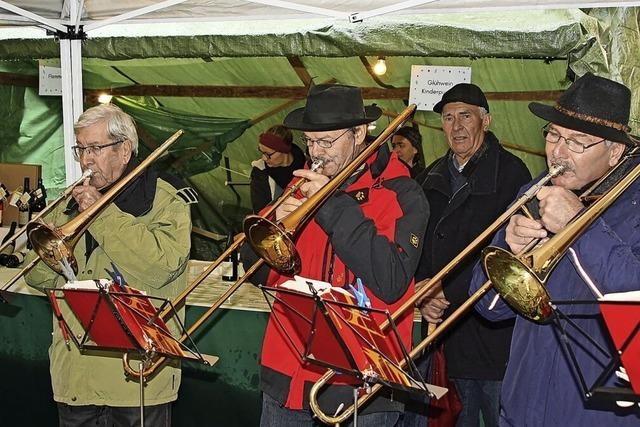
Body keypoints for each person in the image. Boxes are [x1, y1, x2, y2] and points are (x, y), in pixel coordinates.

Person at [241, 84, 430, 426]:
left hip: (364, 386)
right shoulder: (300, 186)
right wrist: (276, 228)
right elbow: (256, 272)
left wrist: (331, 206)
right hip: (287, 376)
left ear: (360, 133)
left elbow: (390, 280)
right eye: (311, 141)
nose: (316, 153)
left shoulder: (402, 192)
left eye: (326, 142)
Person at [469, 72, 640, 426]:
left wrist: (579, 226)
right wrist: (509, 247)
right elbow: (489, 308)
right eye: (554, 135)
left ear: (615, 152)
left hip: (599, 414)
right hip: (521, 407)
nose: (558, 152)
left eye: (577, 141)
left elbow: (632, 290)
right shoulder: (533, 192)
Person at [25, 104, 195, 427]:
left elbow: (161, 266)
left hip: (136, 383)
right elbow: (35, 274)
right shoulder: (71, 203)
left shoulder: (165, 200)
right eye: (81, 149)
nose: (86, 159)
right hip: (75, 381)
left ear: (125, 149)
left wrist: (101, 215)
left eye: (95, 148)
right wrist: (51, 231)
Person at [408, 83, 531, 427]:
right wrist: (422, 287)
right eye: (448, 118)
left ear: (485, 121)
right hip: (444, 334)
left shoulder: (512, 174)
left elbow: (511, 252)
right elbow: (414, 240)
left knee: (497, 416)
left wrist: (447, 290)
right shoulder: (428, 176)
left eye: (466, 116)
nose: (456, 125)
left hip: (493, 335)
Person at [250, 124, 306, 213]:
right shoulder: (260, 175)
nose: (264, 158)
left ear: (283, 151)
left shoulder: (305, 162)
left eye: (267, 154)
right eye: (261, 151)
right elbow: (260, 213)